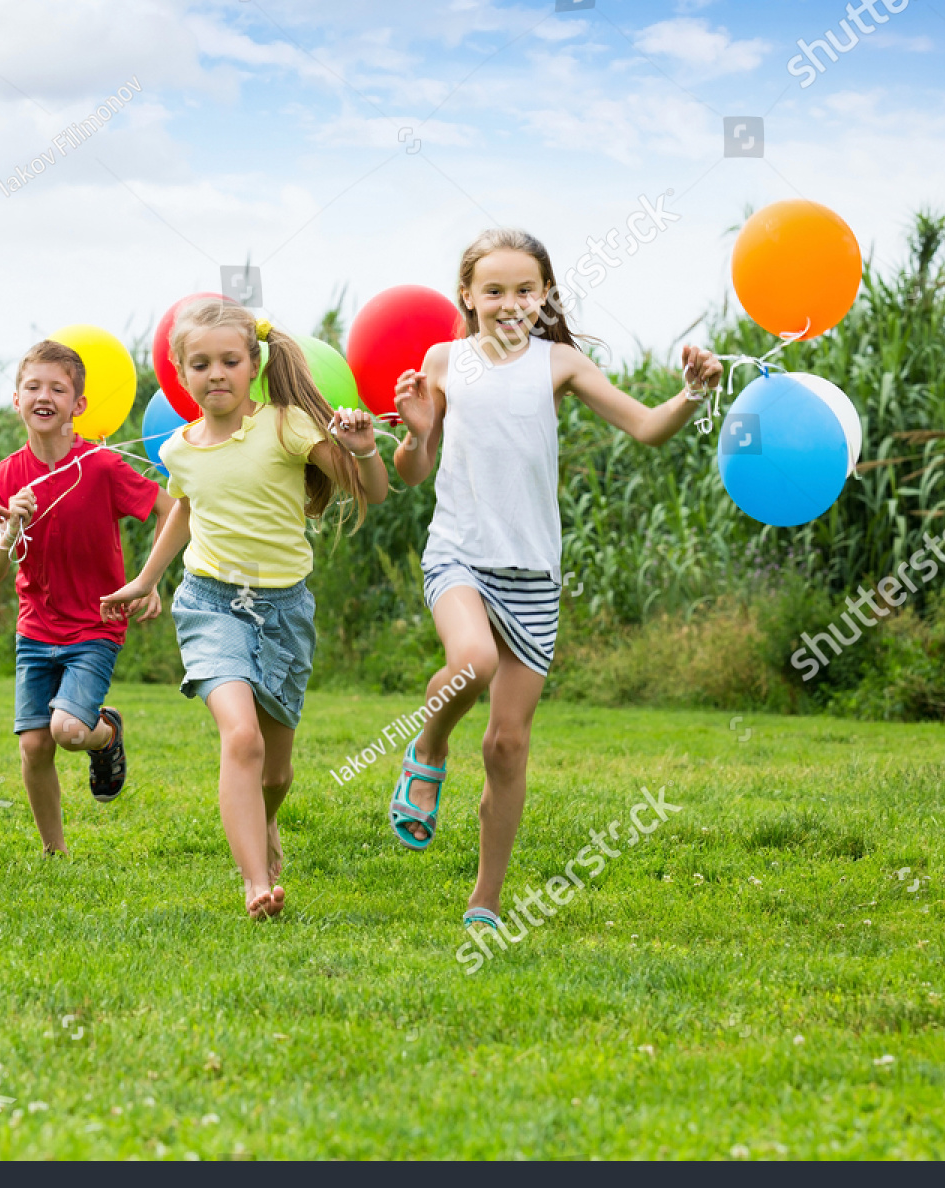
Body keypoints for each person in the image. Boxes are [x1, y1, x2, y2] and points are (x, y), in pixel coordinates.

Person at [389, 228, 722, 929]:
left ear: (544, 296)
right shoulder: (443, 360)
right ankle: (429, 747)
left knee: (508, 742)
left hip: (533, 574)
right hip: (459, 554)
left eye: (524, 290)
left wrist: (691, 393)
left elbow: (647, 428)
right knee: (470, 662)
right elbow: (414, 471)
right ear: (467, 296)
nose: (510, 303)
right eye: (495, 290)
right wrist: (418, 432)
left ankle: (486, 896)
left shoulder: (560, 362)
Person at [102, 301, 388, 918]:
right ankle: (256, 882)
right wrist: (147, 580)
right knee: (242, 736)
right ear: (181, 373)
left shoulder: (287, 427)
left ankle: (265, 821)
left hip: (284, 610)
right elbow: (185, 509)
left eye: (230, 361)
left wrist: (363, 450)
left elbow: (370, 489)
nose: (216, 374)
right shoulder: (178, 448)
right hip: (210, 604)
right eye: (200, 364)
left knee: (276, 775)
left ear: (252, 363)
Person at [0, 340, 174, 856]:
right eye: (33, 387)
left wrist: (148, 580)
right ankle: (55, 851)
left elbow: (172, 509)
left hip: (96, 624)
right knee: (34, 744)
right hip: (35, 629)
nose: (44, 396)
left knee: (67, 730)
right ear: (16, 399)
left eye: (58, 389)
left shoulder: (103, 466)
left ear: (79, 405)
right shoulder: (3, 477)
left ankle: (105, 733)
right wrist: (10, 525)